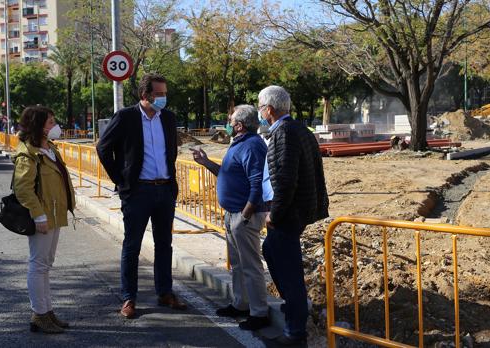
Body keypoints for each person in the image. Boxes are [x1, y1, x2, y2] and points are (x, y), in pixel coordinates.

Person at [96, 73, 186, 319]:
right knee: (132, 245)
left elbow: (170, 151)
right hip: (138, 192)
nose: (164, 98)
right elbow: (103, 148)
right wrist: (121, 180)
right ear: (145, 95)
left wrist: (168, 181)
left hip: (165, 190)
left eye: (165, 93)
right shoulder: (126, 117)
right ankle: (129, 298)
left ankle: (165, 292)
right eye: (159, 94)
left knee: (164, 244)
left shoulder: (168, 118)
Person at [258, 86, 329, 346]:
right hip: (298, 210)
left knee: (288, 270)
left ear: (270, 110)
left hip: (289, 213)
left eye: (260, 106)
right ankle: (294, 310)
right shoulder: (299, 129)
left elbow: (285, 180)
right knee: (272, 250)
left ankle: (295, 330)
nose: (260, 112)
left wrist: (274, 214)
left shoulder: (284, 133)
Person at [191, 105, 270, 331]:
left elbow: (257, 184)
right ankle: (241, 303)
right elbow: (228, 174)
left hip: (244, 216)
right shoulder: (239, 143)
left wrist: (245, 215)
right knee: (237, 264)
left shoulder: (253, 146)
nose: (228, 123)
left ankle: (259, 312)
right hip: (233, 214)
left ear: (239, 125)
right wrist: (206, 163)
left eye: (230, 120)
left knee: (250, 265)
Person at [13, 106, 76, 333]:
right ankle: (39, 314)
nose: (55, 126)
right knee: (38, 265)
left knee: (46, 266)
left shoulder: (49, 148)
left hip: (55, 214)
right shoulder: (28, 153)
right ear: (38, 126)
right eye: (50, 122)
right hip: (43, 217)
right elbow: (23, 189)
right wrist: (38, 215)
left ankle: (47, 312)